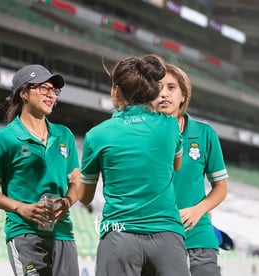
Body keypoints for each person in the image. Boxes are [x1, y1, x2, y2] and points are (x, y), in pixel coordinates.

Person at [77, 54, 190, 276]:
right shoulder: (170, 126)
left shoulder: (97, 135)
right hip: (167, 237)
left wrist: (73, 179)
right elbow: (176, 164)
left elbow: (85, 197)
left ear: (116, 91)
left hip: (120, 237)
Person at [0, 64, 80, 276]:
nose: (51, 94)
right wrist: (20, 208)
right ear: (24, 93)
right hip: (24, 232)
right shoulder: (2, 139)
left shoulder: (65, 135)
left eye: (54, 90)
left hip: (63, 233)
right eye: (44, 88)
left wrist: (68, 201)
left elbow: (77, 182)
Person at [151, 63, 228, 276]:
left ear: (183, 95)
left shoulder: (205, 134)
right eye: (158, 88)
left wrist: (199, 210)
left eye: (171, 87)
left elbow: (220, 187)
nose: (164, 94)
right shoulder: (143, 134)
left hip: (198, 232)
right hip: (155, 233)